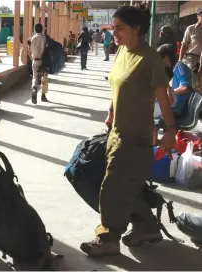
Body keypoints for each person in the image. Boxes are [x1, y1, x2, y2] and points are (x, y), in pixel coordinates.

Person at [80, 4, 176, 257]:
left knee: (111, 190)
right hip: (116, 132)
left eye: (120, 28)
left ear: (136, 29)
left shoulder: (150, 59)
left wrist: (170, 130)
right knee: (124, 187)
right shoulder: (122, 52)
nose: (115, 34)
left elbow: (163, 98)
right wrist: (111, 111)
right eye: (114, 28)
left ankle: (108, 238)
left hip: (134, 138)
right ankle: (146, 227)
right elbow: (117, 83)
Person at [153, 44, 194, 146]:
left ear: (166, 57)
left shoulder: (179, 67)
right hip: (173, 103)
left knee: (148, 112)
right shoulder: (173, 69)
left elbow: (186, 87)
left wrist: (169, 94)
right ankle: (153, 142)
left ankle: (152, 143)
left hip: (177, 107)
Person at [179, 8, 202, 92]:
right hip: (191, 59)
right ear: (198, 16)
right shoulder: (191, 29)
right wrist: (180, 60)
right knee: (191, 83)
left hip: (201, 58)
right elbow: (184, 45)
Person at [30, 23, 48, 104]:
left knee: (35, 77)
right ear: (42, 29)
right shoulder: (45, 38)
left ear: (35, 29)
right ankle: (43, 96)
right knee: (44, 78)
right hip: (43, 61)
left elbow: (30, 50)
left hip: (34, 60)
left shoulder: (32, 38)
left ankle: (34, 88)